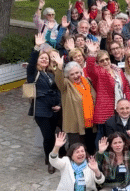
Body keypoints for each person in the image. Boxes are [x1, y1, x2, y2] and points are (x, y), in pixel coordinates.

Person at [85, 41, 130, 145]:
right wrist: (92, 54)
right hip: (105, 110)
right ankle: (99, 157)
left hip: (120, 108)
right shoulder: (98, 73)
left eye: (107, 59)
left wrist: (129, 103)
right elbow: (90, 69)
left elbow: (126, 88)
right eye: (102, 61)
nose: (105, 62)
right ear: (98, 63)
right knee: (102, 138)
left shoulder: (117, 71)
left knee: (117, 137)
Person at [28, 33, 62, 174]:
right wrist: (37, 47)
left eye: (46, 59)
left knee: (56, 135)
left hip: (55, 109)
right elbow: (31, 62)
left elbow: (59, 89)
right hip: (41, 110)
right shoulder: (33, 73)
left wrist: (59, 104)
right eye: (42, 58)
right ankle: (50, 160)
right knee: (48, 136)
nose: (44, 60)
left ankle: (56, 156)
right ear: (38, 61)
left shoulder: (50, 74)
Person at [52, 55, 97, 154]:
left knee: (90, 148)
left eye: (77, 72)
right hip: (75, 124)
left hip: (90, 122)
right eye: (72, 74)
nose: (76, 76)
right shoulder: (66, 85)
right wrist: (60, 66)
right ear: (67, 76)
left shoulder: (87, 82)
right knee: (76, 150)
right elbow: (58, 79)